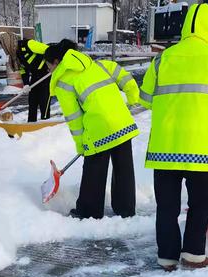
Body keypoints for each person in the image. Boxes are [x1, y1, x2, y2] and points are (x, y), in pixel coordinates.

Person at [139, 3, 208, 270]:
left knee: (167, 207)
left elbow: (146, 99)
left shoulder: (162, 59)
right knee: (200, 204)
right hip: (200, 150)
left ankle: (167, 258)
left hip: (164, 148)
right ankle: (193, 255)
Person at [44, 39, 140, 219]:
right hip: (123, 124)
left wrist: (81, 145)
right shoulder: (98, 65)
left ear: (57, 62)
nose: (48, 70)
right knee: (124, 169)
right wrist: (132, 97)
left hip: (99, 130)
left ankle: (89, 212)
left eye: (48, 66)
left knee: (93, 170)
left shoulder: (64, 81)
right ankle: (125, 209)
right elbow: (124, 77)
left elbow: (75, 119)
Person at [0, 33, 50, 123]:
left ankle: (45, 123)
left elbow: (49, 50)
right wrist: (26, 84)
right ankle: (31, 123)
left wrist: (51, 65)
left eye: (5, 45)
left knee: (44, 102)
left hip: (46, 74)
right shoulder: (16, 55)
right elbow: (23, 69)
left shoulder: (29, 44)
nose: (5, 49)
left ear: (9, 43)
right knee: (32, 102)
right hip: (35, 76)